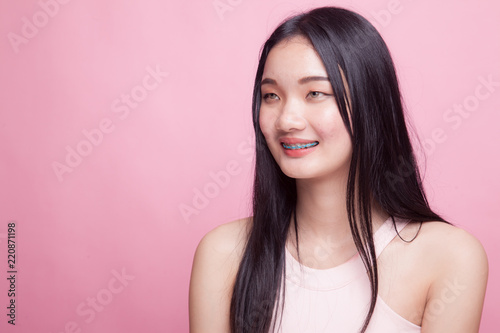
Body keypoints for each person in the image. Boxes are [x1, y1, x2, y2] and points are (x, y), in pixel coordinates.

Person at [189, 6, 488, 333]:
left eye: (315, 93)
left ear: (368, 101)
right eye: (271, 95)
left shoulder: (449, 257)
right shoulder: (223, 254)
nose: (287, 120)